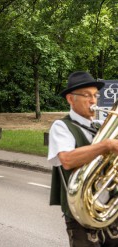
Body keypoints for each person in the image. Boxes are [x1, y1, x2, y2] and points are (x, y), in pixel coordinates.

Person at [48, 71, 118, 247]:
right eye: (87, 95)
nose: (93, 101)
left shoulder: (99, 127)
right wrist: (106, 145)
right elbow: (67, 159)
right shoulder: (62, 126)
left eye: (95, 95)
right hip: (82, 215)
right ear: (71, 99)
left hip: (110, 211)